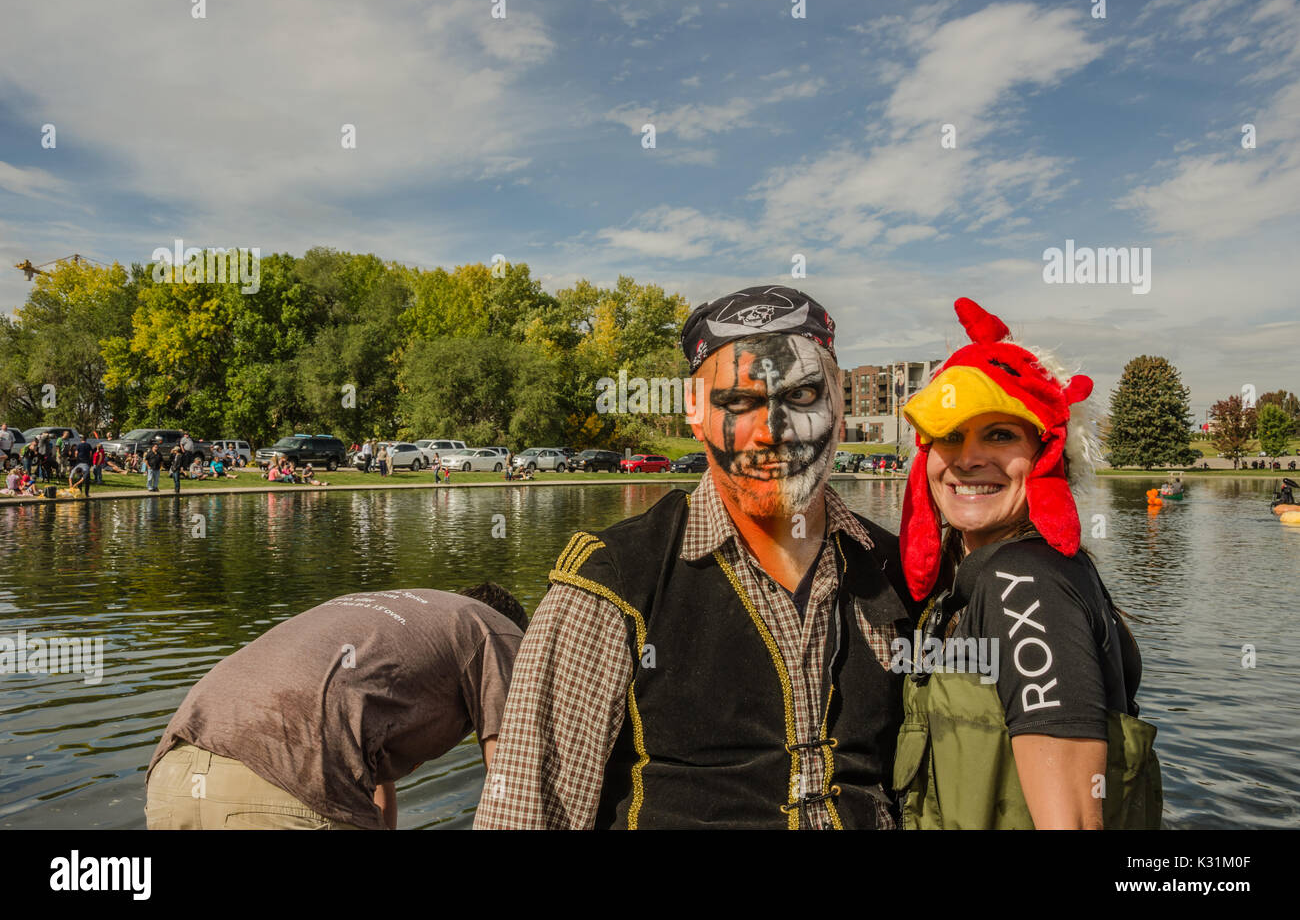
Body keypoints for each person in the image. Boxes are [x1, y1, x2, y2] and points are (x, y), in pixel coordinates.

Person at [475, 284, 917, 830]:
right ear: (695, 415)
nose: (772, 433)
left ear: (839, 410)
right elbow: (525, 811)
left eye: (802, 397)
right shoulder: (614, 582)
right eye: (738, 402)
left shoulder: (896, 568)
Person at [894, 298, 1161, 829]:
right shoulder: (982, 577)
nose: (968, 458)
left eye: (1000, 434)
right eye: (950, 435)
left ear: (1047, 456)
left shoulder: (1023, 580)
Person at [145, 583, 527, 830]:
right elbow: (509, 775)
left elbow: (373, 775)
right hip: (287, 790)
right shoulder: (497, 629)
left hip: (173, 778)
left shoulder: (391, 618)